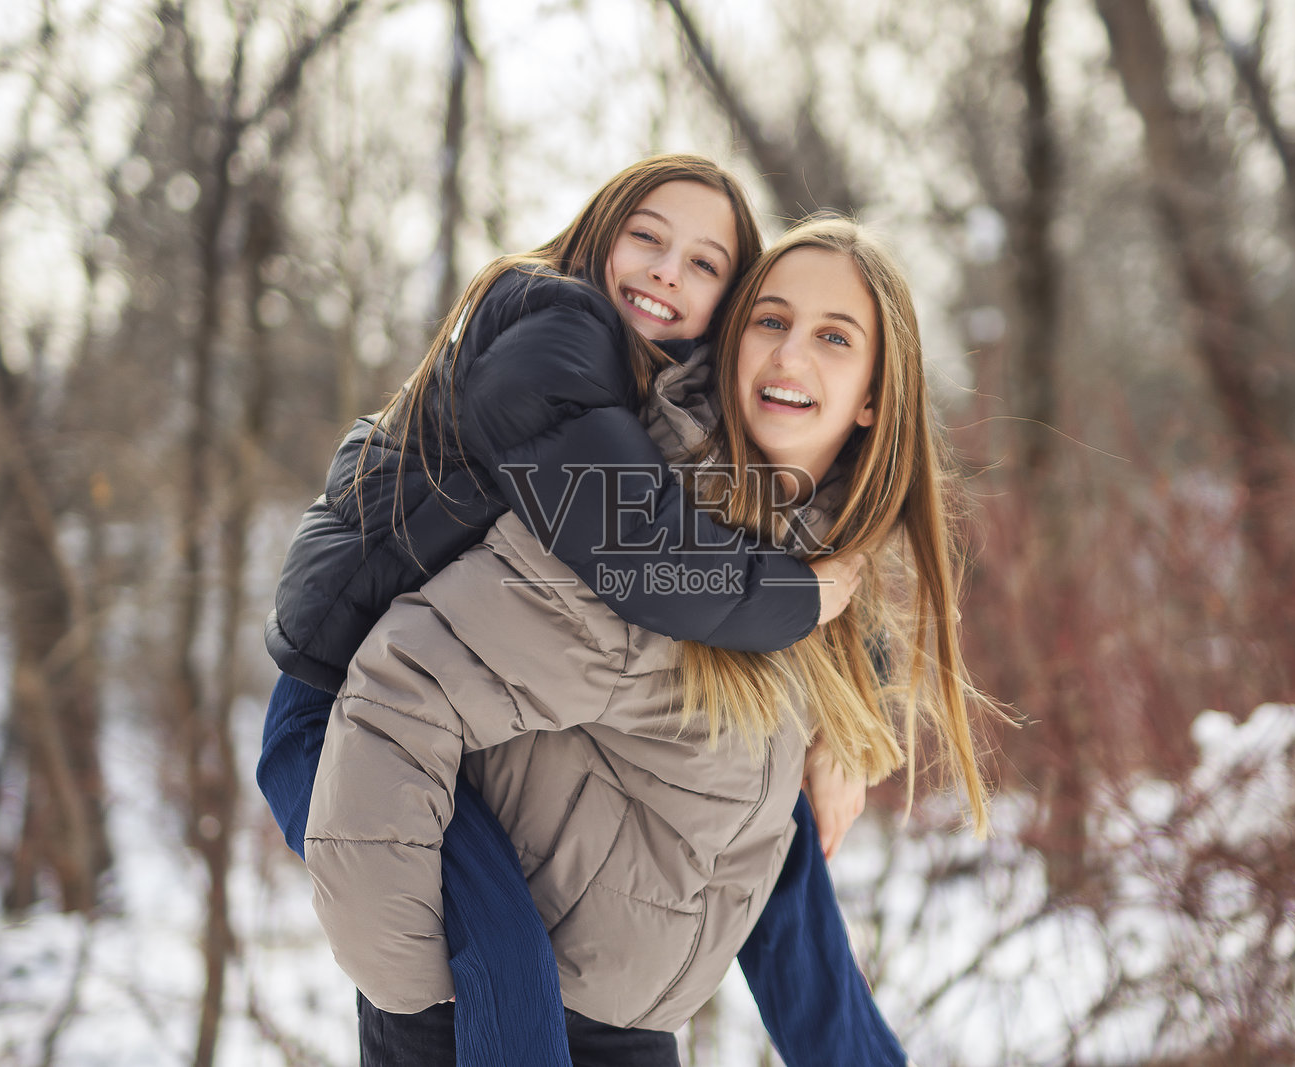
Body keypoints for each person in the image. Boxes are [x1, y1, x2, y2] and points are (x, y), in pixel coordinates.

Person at [259, 156, 902, 1064]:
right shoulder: (556, 334)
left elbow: (806, 557)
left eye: (706, 264)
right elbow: (641, 550)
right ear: (598, 234)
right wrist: (414, 1006)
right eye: (646, 236)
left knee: (777, 837)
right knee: (498, 949)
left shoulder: (664, 415)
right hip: (333, 702)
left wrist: (849, 722)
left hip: (446, 703)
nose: (666, 270)